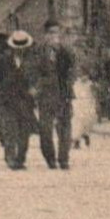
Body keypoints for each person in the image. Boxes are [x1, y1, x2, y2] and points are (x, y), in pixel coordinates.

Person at [0, 31, 41, 170]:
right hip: (7, 101)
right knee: (10, 131)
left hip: (25, 101)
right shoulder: (4, 60)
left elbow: (37, 79)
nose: (20, 50)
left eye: (23, 47)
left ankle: (20, 159)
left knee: (24, 133)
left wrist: (35, 89)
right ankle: (10, 158)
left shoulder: (31, 61)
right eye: (17, 47)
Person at [33, 20, 76, 169]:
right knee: (45, 128)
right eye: (51, 33)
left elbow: (73, 70)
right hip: (45, 94)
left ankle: (63, 158)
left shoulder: (66, 51)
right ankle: (50, 158)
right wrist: (37, 86)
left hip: (63, 93)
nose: (54, 36)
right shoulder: (38, 51)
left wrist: (69, 84)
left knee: (65, 127)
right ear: (45, 35)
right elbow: (33, 71)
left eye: (57, 32)